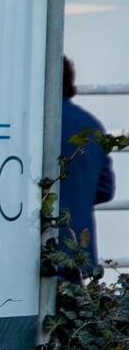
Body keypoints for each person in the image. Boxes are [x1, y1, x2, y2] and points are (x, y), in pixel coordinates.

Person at [60, 58, 116, 274]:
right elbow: (105, 190)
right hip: (80, 252)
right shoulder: (91, 125)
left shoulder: (31, 121)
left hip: (38, 256)